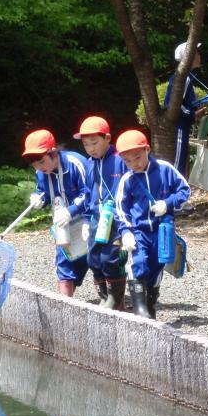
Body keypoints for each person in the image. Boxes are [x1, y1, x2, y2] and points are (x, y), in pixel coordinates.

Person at [114, 129, 190, 319]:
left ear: (147, 149)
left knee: (157, 265)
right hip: (138, 230)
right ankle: (140, 309)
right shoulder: (127, 179)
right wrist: (126, 232)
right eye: (127, 161)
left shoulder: (165, 169)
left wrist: (168, 203)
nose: (134, 164)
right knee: (138, 263)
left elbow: (185, 190)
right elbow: (120, 208)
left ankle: (150, 303)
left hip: (162, 229)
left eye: (137, 157)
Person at [23, 129, 89, 298]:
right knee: (63, 258)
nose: (39, 167)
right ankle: (64, 301)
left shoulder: (76, 163)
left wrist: (71, 210)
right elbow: (43, 192)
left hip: (88, 219)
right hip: (62, 223)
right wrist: (38, 199)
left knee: (92, 259)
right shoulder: (41, 173)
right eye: (35, 165)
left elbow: (90, 193)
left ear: (53, 153)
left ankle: (110, 299)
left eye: (42, 161)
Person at [74, 116, 128, 310]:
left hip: (117, 217)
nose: (91, 148)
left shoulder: (120, 159)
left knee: (111, 258)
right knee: (93, 258)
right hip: (97, 216)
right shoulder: (90, 163)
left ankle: (116, 299)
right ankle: (104, 295)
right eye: (86, 144)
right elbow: (88, 193)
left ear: (107, 138)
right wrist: (87, 220)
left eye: (95, 142)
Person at [163, 42, 206, 179]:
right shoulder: (183, 78)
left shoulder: (184, 77)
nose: (199, 56)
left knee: (181, 161)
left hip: (182, 126)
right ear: (189, 57)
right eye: (196, 53)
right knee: (177, 162)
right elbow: (172, 104)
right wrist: (193, 114)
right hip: (179, 127)